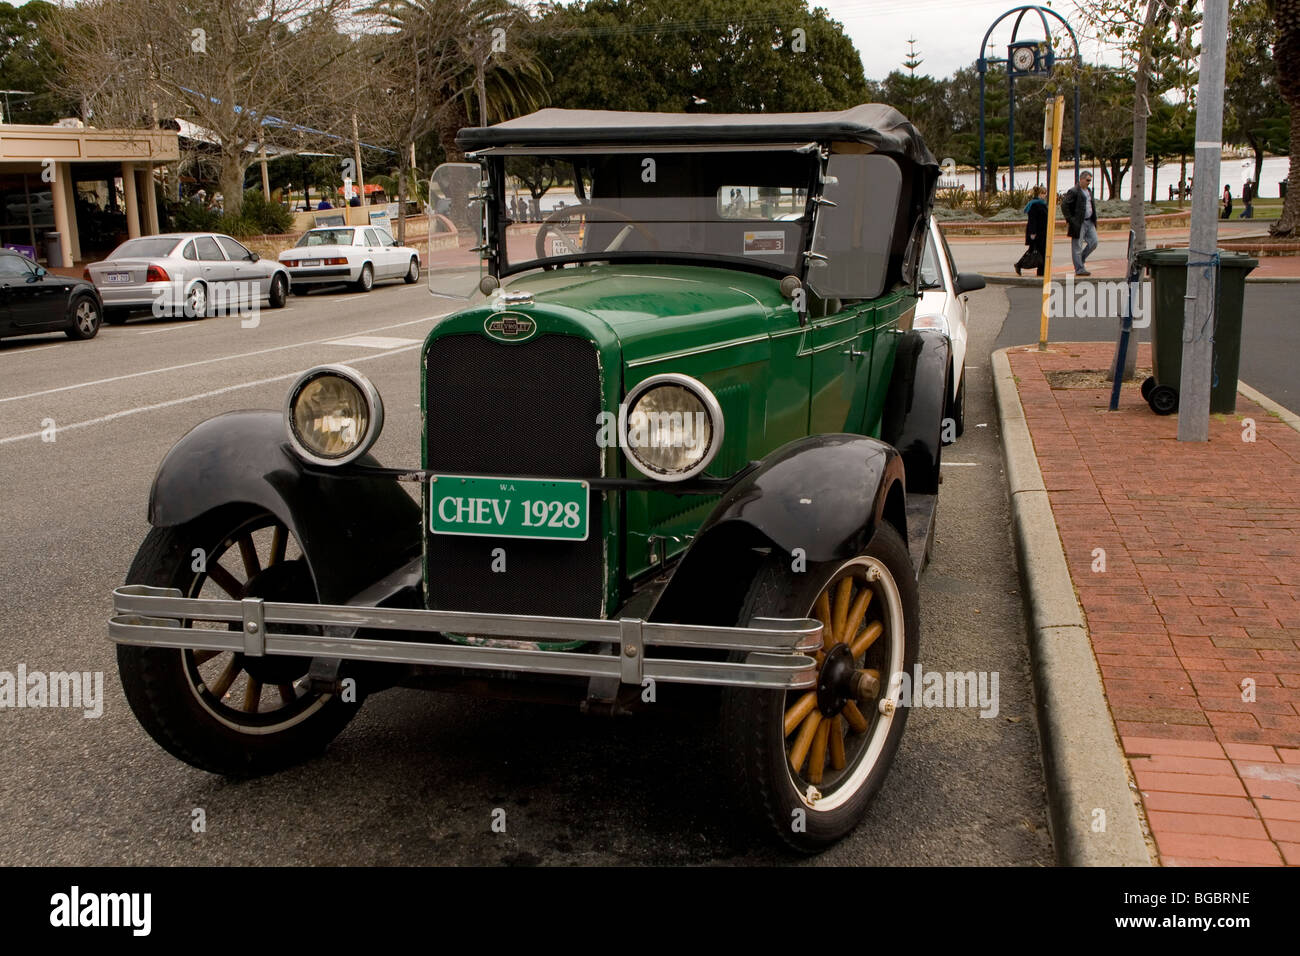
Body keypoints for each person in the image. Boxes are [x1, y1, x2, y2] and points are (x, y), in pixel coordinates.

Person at [1061, 171, 1099, 276]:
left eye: (1090, 180)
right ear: (1081, 179)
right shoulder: (1074, 191)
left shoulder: (1089, 190)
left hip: (1089, 221)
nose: (1089, 182)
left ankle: (1080, 259)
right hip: (1079, 223)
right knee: (1077, 246)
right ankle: (1079, 269)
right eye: (1087, 180)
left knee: (1094, 242)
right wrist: (1070, 220)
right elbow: (1064, 205)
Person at [1016, 186, 1049, 277]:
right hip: (1037, 232)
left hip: (1042, 231)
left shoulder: (1041, 203)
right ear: (1039, 194)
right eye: (1043, 193)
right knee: (1039, 251)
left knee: (1036, 251)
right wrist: (1033, 233)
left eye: (1045, 193)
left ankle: (1040, 270)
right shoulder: (1035, 204)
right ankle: (1039, 271)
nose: (1045, 195)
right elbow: (1032, 220)